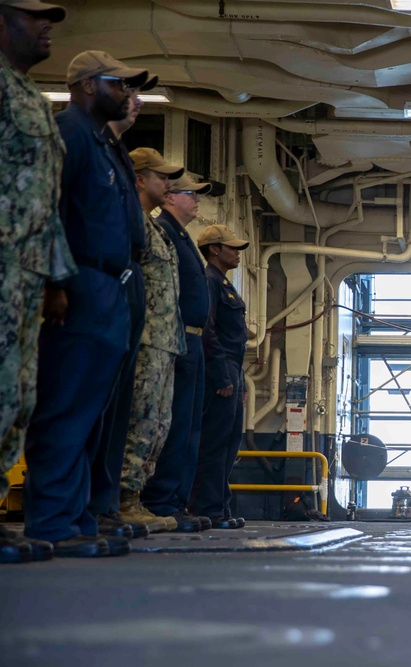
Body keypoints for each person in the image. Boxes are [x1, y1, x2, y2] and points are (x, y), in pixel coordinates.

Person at [23, 50, 150, 558]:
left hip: (109, 288)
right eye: (118, 84)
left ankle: (75, 514)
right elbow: (48, 207)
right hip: (80, 282)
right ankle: (51, 519)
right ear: (84, 86)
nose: (127, 94)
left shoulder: (102, 141)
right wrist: (56, 283)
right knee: (66, 406)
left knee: (92, 410)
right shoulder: (69, 134)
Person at [0, 0, 72, 565]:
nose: (46, 25)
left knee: (16, 398)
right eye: (33, 16)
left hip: (25, 275)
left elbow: (45, 202)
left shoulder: (30, 96)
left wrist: (53, 277)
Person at [85, 77, 163, 539]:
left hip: (126, 304)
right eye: (125, 90)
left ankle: (102, 505)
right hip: (95, 287)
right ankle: (71, 511)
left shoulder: (107, 148)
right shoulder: (78, 138)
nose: (135, 102)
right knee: (84, 408)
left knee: (116, 415)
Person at [116, 147, 188, 535]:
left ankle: (135, 497)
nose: (167, 184)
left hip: (164, 341)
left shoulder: (155, 227)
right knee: (139, 419)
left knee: (158, 423)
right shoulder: (133, 224)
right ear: (140, 178)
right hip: (143, 339)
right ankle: (122, 499)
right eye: (161, 177)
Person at [138, 173, 214, 532]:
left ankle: (175, 501)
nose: (196, 200)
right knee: (171, 424)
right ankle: (160, 500)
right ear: (170, 198)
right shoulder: (164, 230)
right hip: (171, 337)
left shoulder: (180, 236)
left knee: (187, 426)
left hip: (189, 340)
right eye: (190, 194)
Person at [192, 224, 250, 529]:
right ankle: (208, 509)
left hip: (233, 369)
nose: (238, 253)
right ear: (215, 249)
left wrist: (237, 379)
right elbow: (207, 330)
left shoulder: (224, 282)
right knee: (214, 442)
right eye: (232, 247)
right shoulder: (209, 280)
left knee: (229, 442)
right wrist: (221, 376)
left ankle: (219, 508)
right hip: (221, 367)